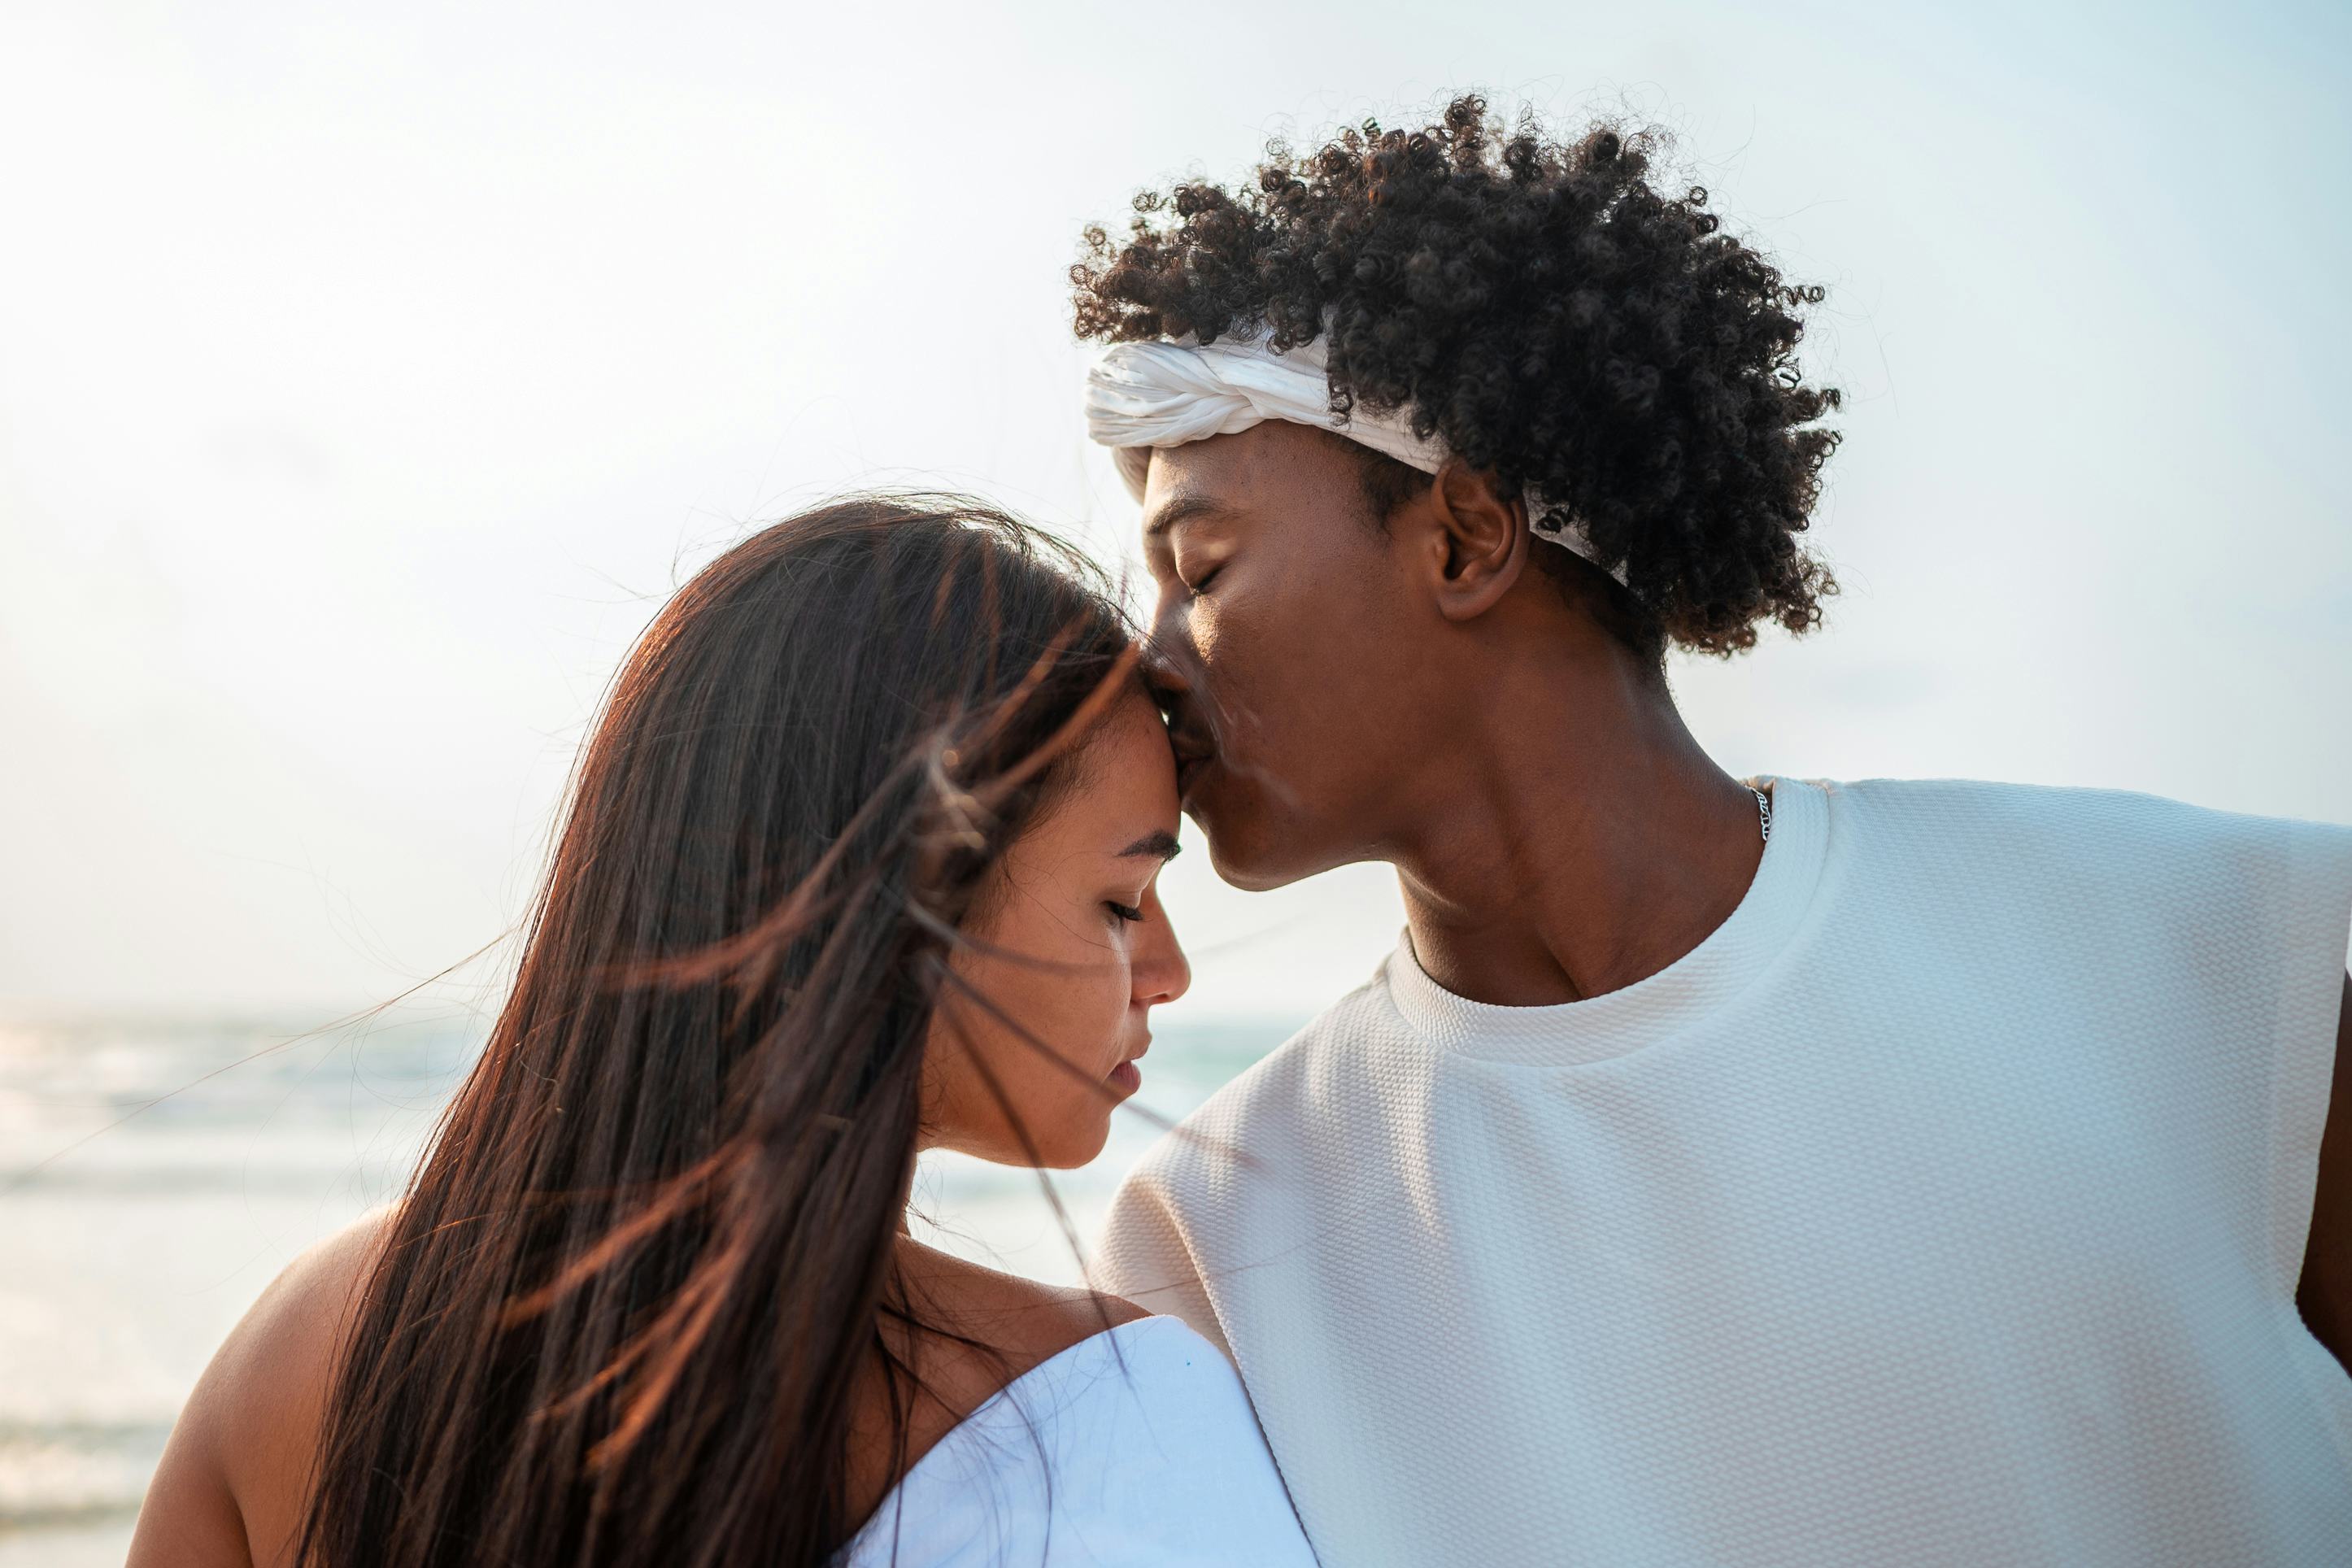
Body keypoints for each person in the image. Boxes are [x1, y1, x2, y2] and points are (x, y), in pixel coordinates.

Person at [1076, 98, 2352, 1566]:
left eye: (1202, 566)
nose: (1149, 657)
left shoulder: (2200, 942)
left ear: (1464, 537)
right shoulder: (1217, 1244)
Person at [127, 498, 1318, 1568]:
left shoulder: (315, 1341)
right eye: (1121, 901)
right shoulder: (1109, 1424)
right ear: (902, 904)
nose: (1166, 971)